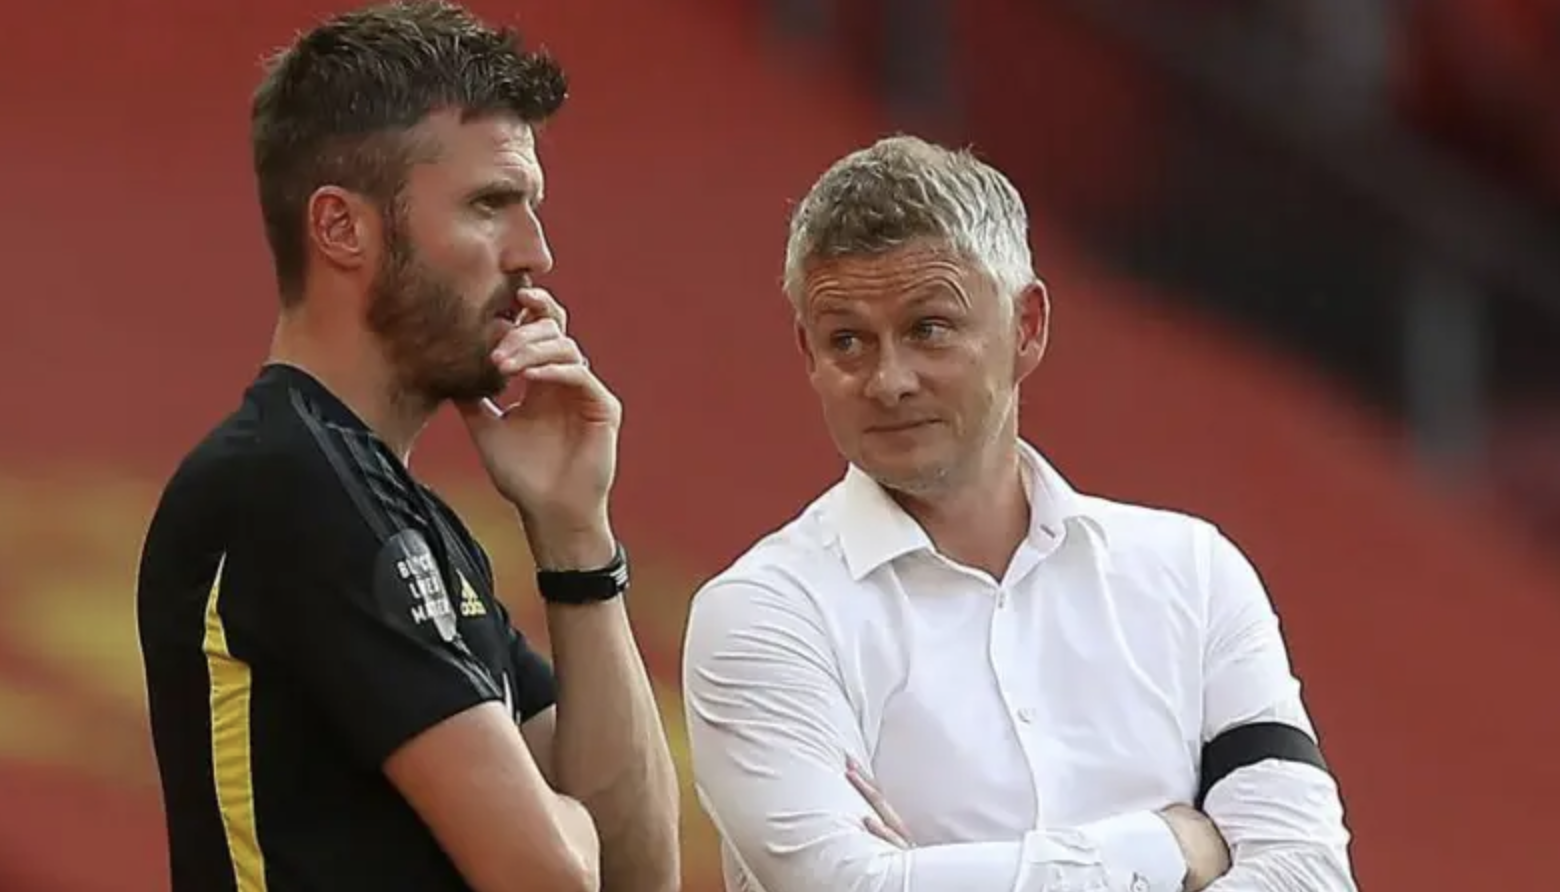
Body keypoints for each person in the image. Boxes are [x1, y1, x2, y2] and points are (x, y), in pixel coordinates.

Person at [681, 135, 1358, 892]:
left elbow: (1309, 874)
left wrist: (929, 873)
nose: (889, 379)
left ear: (1026, 327)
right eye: (848, 341)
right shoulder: (763, 613)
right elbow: (847, 887)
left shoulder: (1193, 575)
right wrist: (1165, 847)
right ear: (808, 354)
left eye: (928, 329)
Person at [135, 4, 680, 891]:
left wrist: (577, 540)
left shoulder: (407, 517)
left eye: (531, 208)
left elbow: (637, 875)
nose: (536, 254)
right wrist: (563, 825)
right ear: (342, 228)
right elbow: (553, 877)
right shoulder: (286, 484)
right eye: (490, 205)